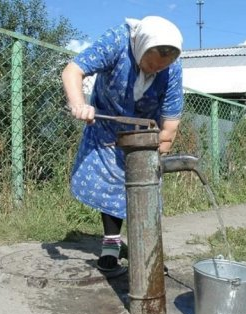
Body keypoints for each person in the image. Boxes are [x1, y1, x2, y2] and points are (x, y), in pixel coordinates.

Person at [61, 16, 184, 277]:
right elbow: (73, 70)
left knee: (149, 188)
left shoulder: (172, 67)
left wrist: (161, 151)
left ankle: (148, 250)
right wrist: (78, 103)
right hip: (107, 126)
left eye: (161, 68)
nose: (155, 71)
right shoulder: (118, 41)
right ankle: (111, 245)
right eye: (150, 65)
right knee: (110, 185)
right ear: (140, 47)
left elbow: (171, 120)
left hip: (145, 131)